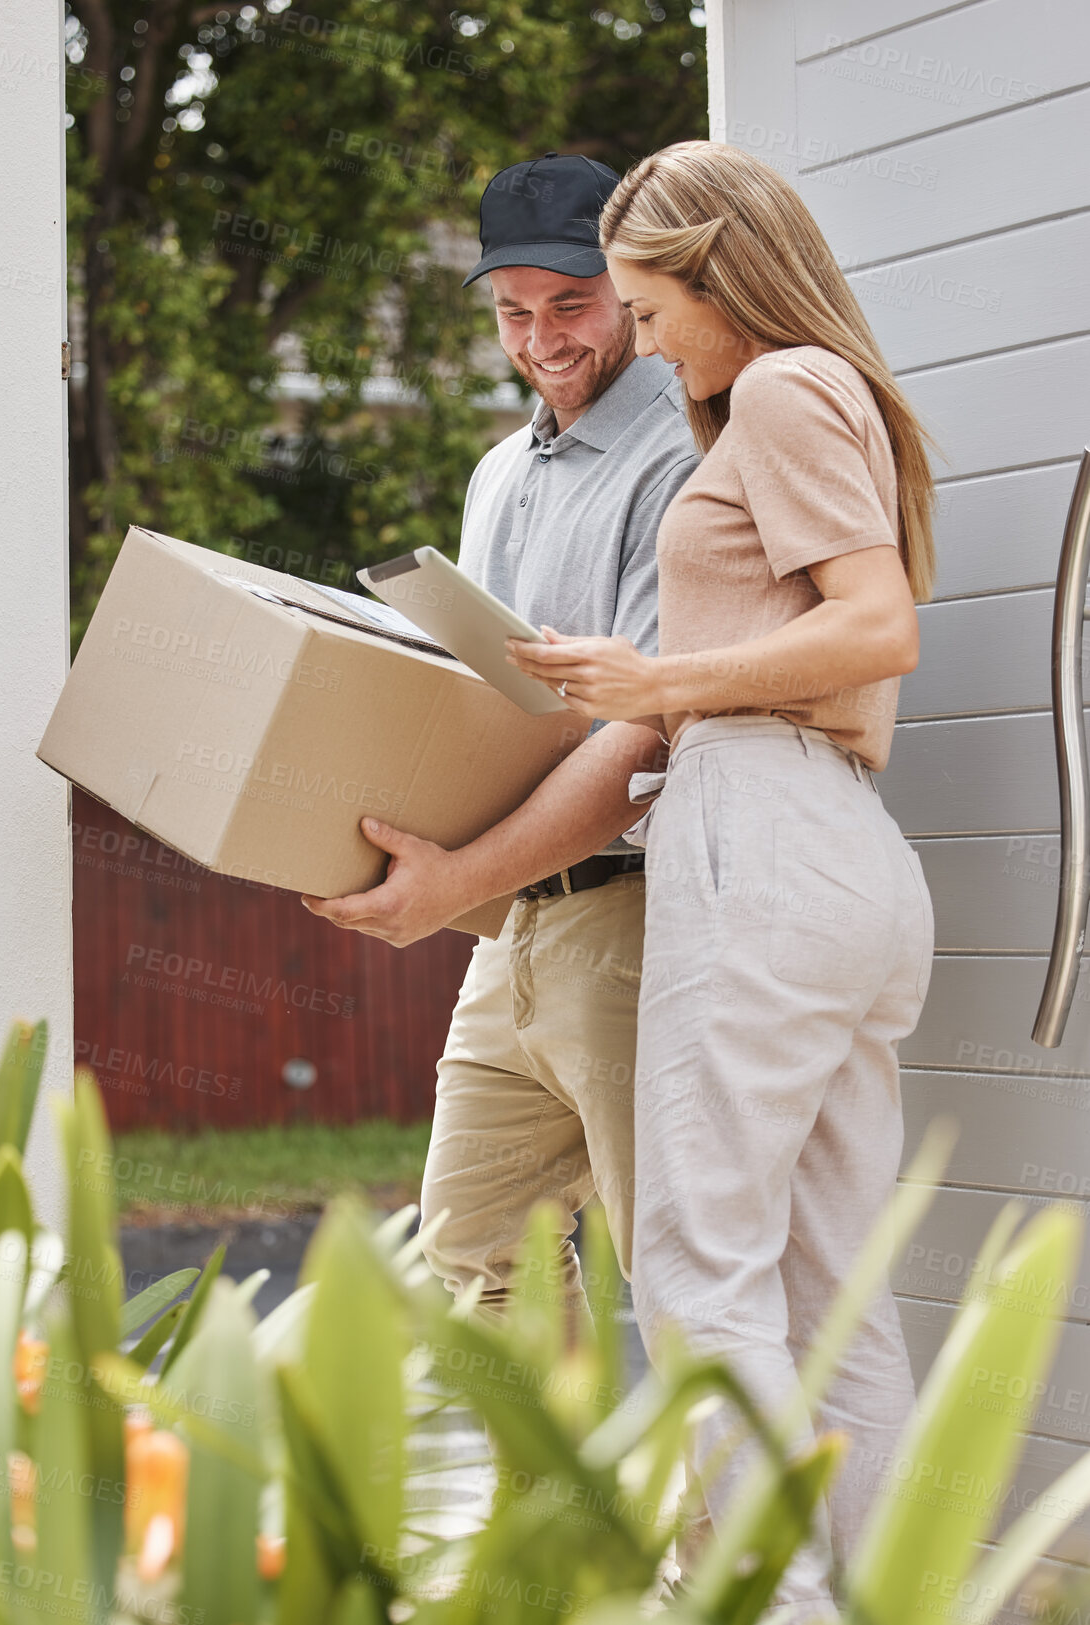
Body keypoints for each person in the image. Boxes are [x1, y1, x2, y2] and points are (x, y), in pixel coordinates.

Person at [507, 140, 936, 1620]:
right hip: (834, 848)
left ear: (719, 271)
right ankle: (875, 1596)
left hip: (763, 831)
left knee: (700, 1268)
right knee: (827, 1289)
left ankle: (773, 1605)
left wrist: (656, 679)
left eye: (645, 300)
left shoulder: (780, 385)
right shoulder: (814, 398)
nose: (638, 334)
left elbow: (875, 627)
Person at [303, 152, 699, 1320]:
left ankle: (721, 1516)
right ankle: (563, 1508)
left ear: (626, 288)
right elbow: (480, 706)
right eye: (512, 311)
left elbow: (649, 725)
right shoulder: (497, 471)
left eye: (570, 303)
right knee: (473, 1243)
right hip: (515, 924)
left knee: (674, 1266)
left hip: (634, 913)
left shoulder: (681, 452)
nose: (542, 338)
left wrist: (460, 877)